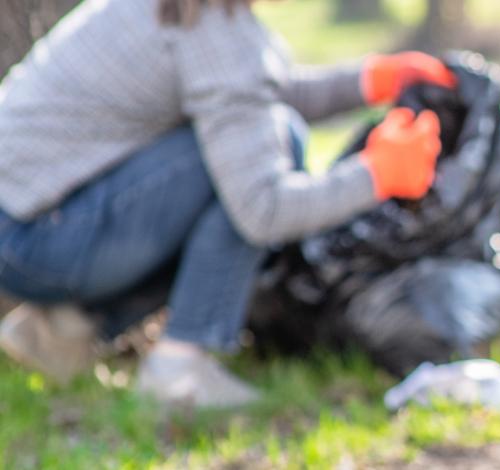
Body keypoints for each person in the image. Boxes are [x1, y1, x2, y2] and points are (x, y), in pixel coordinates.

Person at [0, 0, 452, 409]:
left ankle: (62, 330)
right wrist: (376, 176)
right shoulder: (211, 28)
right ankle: (179, 369)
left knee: (257, 138)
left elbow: (252, 94)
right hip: (37, 242)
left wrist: (369, 81)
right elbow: (262, 209)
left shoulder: (189, 9)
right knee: (270, 146)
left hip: (26, 228)